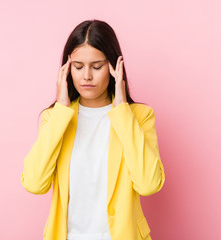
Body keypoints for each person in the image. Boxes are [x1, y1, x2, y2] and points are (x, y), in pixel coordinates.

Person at [20, 19, 166, 240]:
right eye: (78, 67)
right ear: (67, 68)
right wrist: (61, 110)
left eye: (96, 67)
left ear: (114, 67)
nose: (86, 76)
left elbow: (148, 184)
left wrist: (122, 112)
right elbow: (34, 183)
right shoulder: (55, 118)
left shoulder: (139, 117)